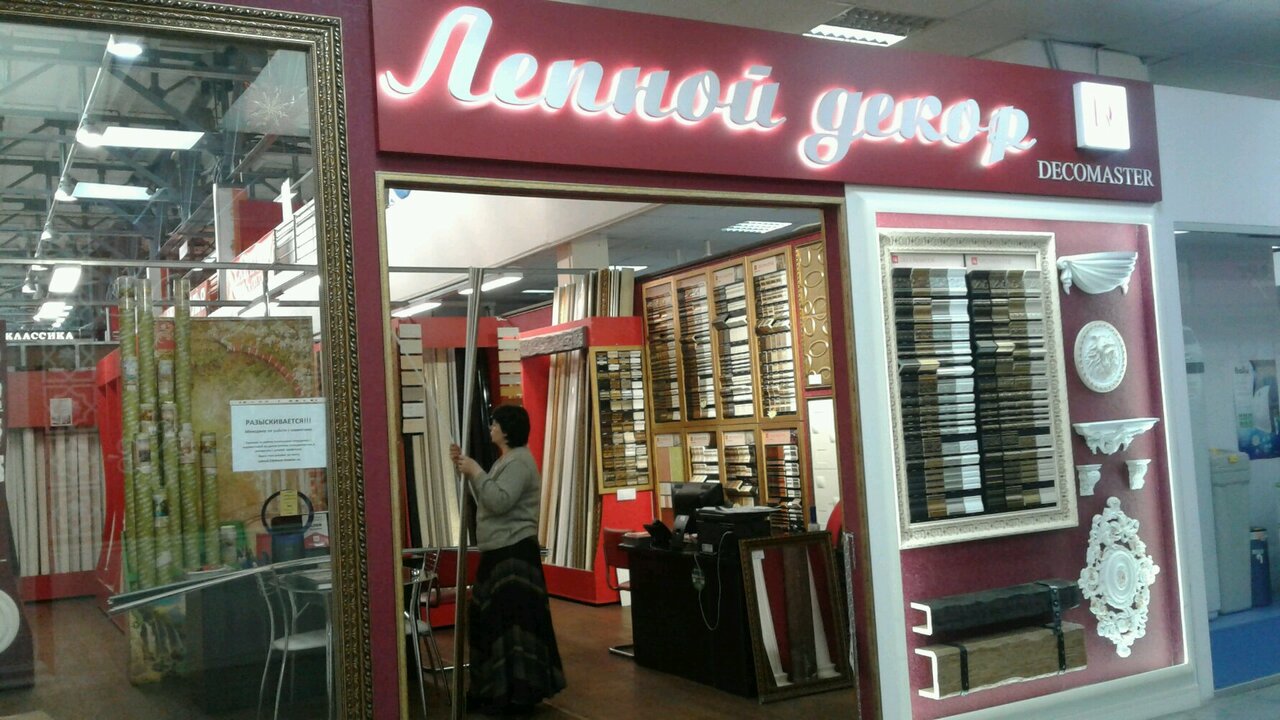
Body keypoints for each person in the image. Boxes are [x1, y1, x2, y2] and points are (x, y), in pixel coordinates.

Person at [450, 404, 566, 715]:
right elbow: (487, 500)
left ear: (507, 430)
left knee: (511, 627)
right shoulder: (507, 460)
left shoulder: (519, 463)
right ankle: (494, 690)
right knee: (495, 623)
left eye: (495, 423)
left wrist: (475, 471)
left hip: (512, 552)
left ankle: (514, 694)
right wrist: (467, 470)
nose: (491, 427)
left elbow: (498, 502)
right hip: (501, 550)